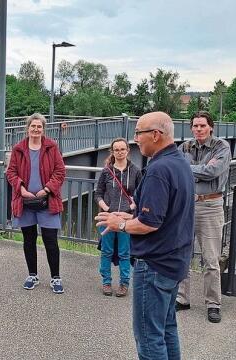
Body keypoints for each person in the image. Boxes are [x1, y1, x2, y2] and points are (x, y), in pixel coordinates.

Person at [95, 111, 194, 360]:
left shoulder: (158, 170)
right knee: (167, 328)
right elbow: (163, 214)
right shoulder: (180, 162)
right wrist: (126, 217)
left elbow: (149, 223)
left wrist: (123, 226)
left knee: (149, 337)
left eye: (138, 133)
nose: (135, 139)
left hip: (155, 265)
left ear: (156, 135)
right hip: (175, 260)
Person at [175, 111, 231, 323]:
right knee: (182, 254)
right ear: (191, 128)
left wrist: (186, 168)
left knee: (210, 258)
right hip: (187, 204)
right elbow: (178, 169)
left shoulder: (221, 146)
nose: (198, 129)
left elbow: (212, 172)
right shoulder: (184, 147)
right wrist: (195, 169)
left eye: (202, 126)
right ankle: (182, 298)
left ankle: (213, 304)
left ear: (210, 127)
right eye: (195, 126)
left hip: (210, 204)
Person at [5, 113, 66, 294]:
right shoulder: (19, 149)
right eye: (33, 126)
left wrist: (47, 189)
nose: (36, 129)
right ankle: (32, 275)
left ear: (43, 129)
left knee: (50, 240)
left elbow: (60, 171)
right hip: (25, 201)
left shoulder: (51, 147)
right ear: (28, 128)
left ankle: (55, 277)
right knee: (29, 240)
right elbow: (11, 172)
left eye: (39, 127)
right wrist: (21, 188)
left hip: (47, 201)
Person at [95, 138, 141, 297]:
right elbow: (98, 194)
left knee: (124, 252)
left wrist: (132, 208)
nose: (120, 152)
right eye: (117, 150)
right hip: (108, 217)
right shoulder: (106, 171)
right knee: (106, 251)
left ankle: (124, 283)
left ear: (128, 150)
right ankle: (106, 282)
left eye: (123, 149)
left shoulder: (135, 171)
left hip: (126, 218)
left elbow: (140, 195)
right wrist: (108, 209)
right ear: (112, 152)